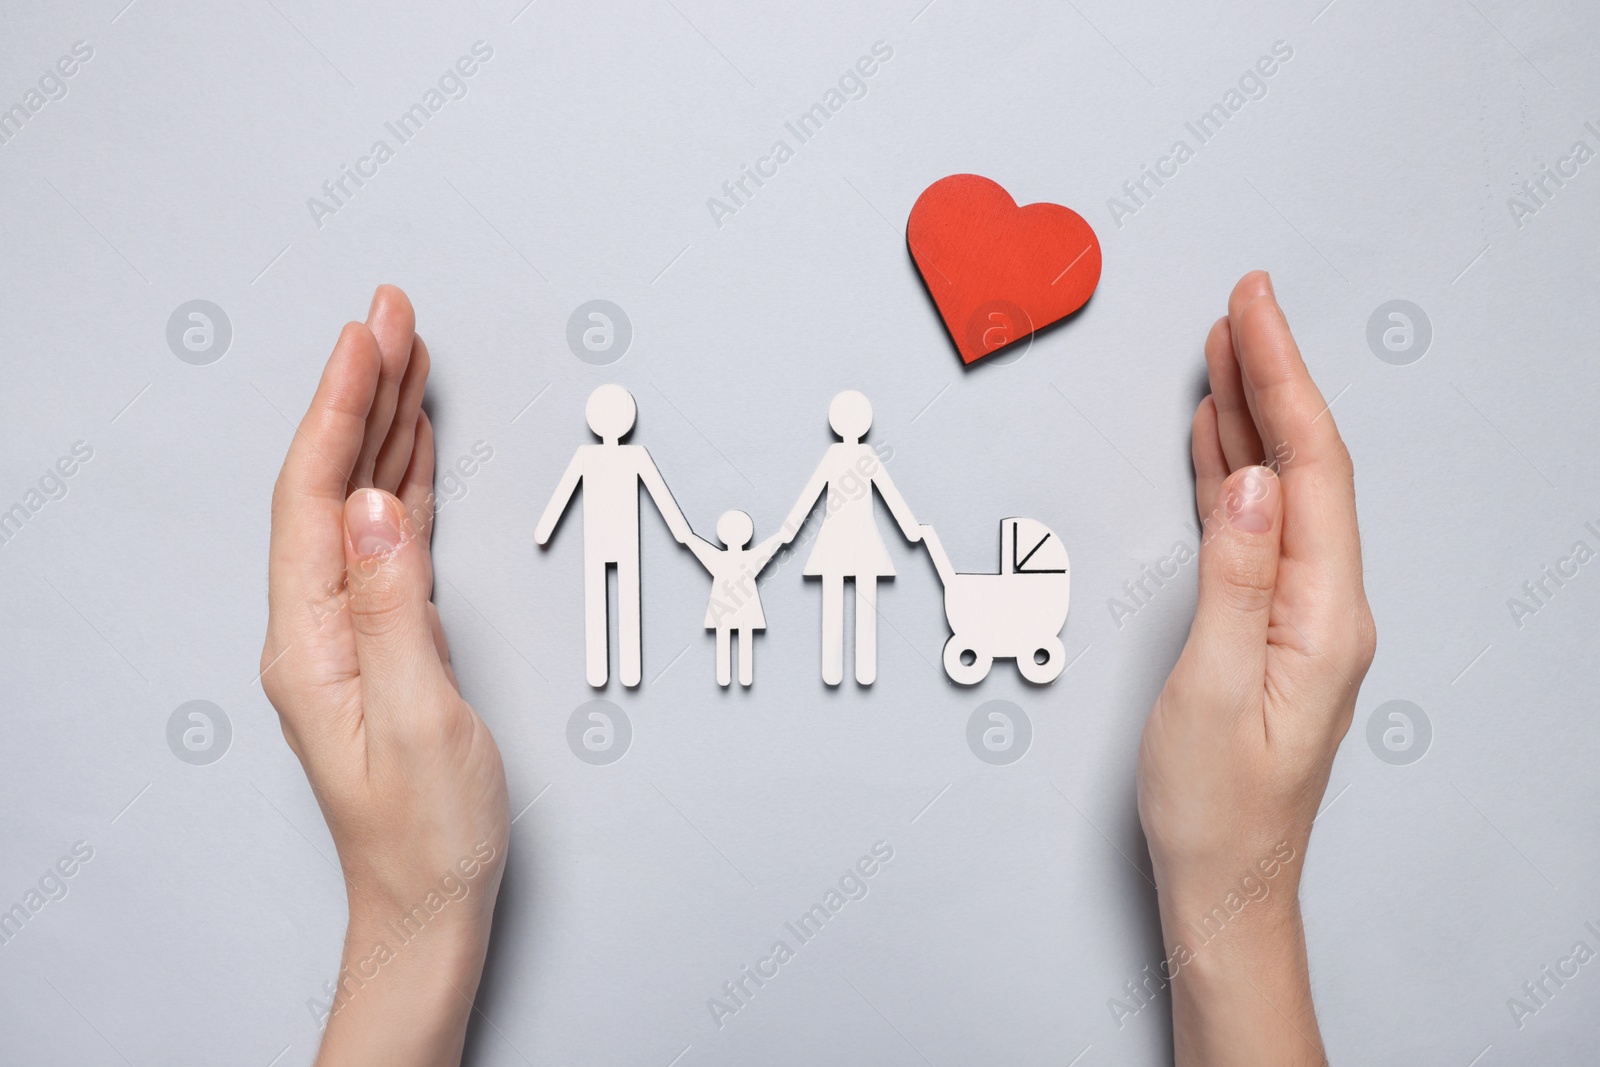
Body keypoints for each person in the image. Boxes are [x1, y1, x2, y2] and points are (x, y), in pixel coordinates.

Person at [260, 272, 1373, 1066]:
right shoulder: (640, 456)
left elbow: (826, 504)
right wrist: (1241, 896)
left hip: (831, 561)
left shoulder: (747, 462)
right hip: (741, 558)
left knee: (826, 620)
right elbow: (653, 502)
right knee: (632, 610)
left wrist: (412, 914)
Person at [535, 383, 692, 687]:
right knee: (615, 597)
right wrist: (681, 531)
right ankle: (614, 670)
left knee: (608, 597)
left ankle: (616, 670)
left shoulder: (629, 456)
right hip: (611, 539)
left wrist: (680, 529)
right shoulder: (607, 456)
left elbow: (659, 494)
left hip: (614, 538)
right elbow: (565, 492)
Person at [779, 390, 922, 686]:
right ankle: (843, 669)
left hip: (852, 536)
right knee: (848, 595)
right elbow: (815, 491)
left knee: (852, 596)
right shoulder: (852, 455)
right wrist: (790, 528)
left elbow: (886, 492)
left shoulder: (859, 455)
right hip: (847, 536)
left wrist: (790, 529)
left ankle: (856, 669)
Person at [683, 509, 785, 687]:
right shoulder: (745, 558)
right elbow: (772, 545)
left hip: (728, 605)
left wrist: (687, 537)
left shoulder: (721, 558)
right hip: (741, 605)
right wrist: (782, 537)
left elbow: (694, 543)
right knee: (738, 636)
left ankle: (731, 676)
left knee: (731, 635)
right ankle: (738, 676)